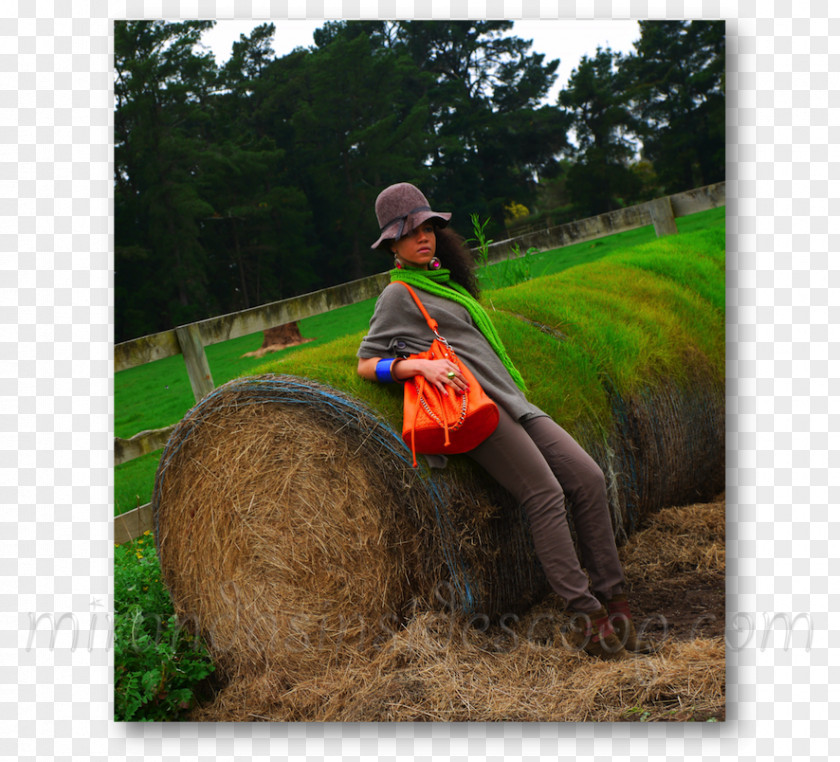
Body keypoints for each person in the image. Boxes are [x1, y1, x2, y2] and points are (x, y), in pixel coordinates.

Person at [356, 182, 652, 660]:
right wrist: (417, 366)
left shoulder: (443, 282)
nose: (423, 237)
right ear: (392, 245)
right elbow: (366, 362)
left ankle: (616, 602)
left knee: (588, 479)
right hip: (476, 408)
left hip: (513, 401)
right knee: (544, 493)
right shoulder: (398, 296)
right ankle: (589, 618)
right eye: (410, 233)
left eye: (428, 227)